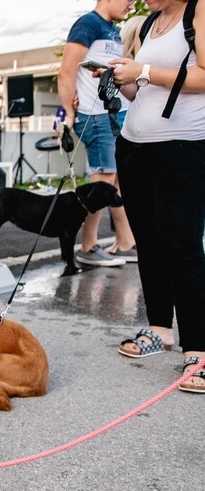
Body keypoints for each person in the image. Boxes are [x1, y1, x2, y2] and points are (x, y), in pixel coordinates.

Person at [107, 0, 205, 393]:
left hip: (182, 145)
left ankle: (198, 348)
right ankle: (160, 329)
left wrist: (143, 70)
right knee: (148, 243)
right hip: (135, 145)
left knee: (182, 245)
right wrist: (124, 80)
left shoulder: (198, 9)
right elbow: (141, 94)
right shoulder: (149, 22)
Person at [58, 0, 139, 267]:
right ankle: (89, 246)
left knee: (114, 183)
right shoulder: (87, 24)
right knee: (102, 181)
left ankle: (125, 242)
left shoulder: (113, 29)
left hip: (114, 114)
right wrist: (68, 116)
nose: (132, 4)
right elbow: (66, 71)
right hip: (95, 117)